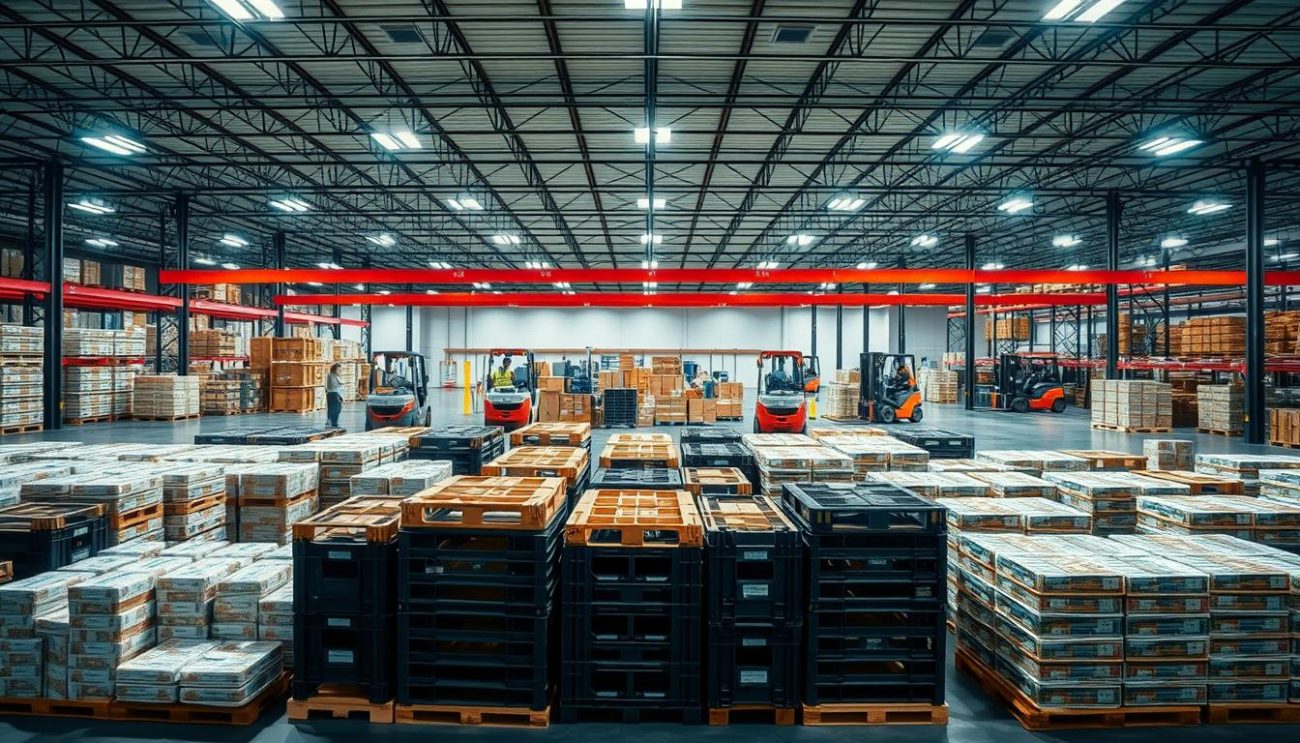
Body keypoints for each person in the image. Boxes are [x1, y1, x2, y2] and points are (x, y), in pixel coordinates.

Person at [326, 363, 344, 428]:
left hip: (334, 394)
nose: (340, 371)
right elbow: (334, 385)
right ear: (334, 370)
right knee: (336, 409)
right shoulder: (331, 375)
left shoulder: (335, 376)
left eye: (340, 370)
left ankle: (330, 421)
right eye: (338, 370)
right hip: (334, 394)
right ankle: (334, 423)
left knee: (332, 409)